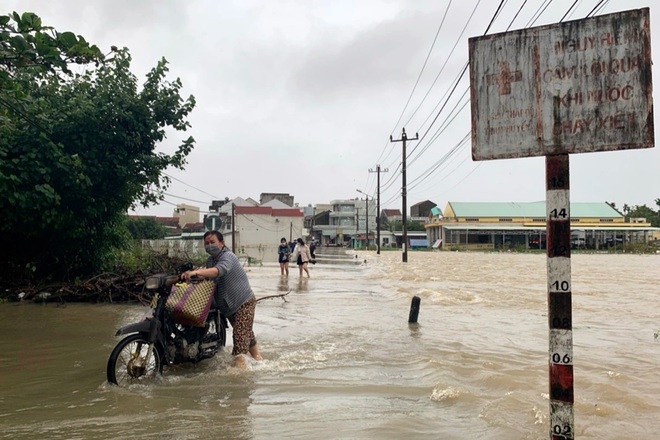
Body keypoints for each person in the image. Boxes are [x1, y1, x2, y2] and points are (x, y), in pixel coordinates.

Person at [182, 231, 262, 367]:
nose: (209, 245)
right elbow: (209, 277)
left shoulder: (228, 256)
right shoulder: (210, 261)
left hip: (243, 302)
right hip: (228, 306)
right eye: (206, 243)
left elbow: (218, 271)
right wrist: (190, 275)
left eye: (212, 242)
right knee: (244, 332)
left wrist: (196, 272)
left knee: (239, 342)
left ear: (222, 243)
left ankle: (238, 378)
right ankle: (259, 359)